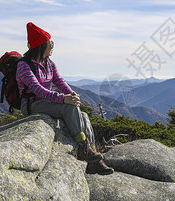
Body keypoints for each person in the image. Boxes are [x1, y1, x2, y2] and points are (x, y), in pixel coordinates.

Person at [16, 22, 114, 175]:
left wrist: (72, 95)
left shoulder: (48, 63)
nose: (53, 46)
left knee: (84, 116)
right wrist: (63, 99)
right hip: (32, 104)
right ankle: (83, 148)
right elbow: (38, 90)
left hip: (45, 102)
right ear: (41, 45)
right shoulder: (24, 65)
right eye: (51, 43)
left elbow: (59, 82)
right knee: (69, 107)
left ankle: (94, 159)